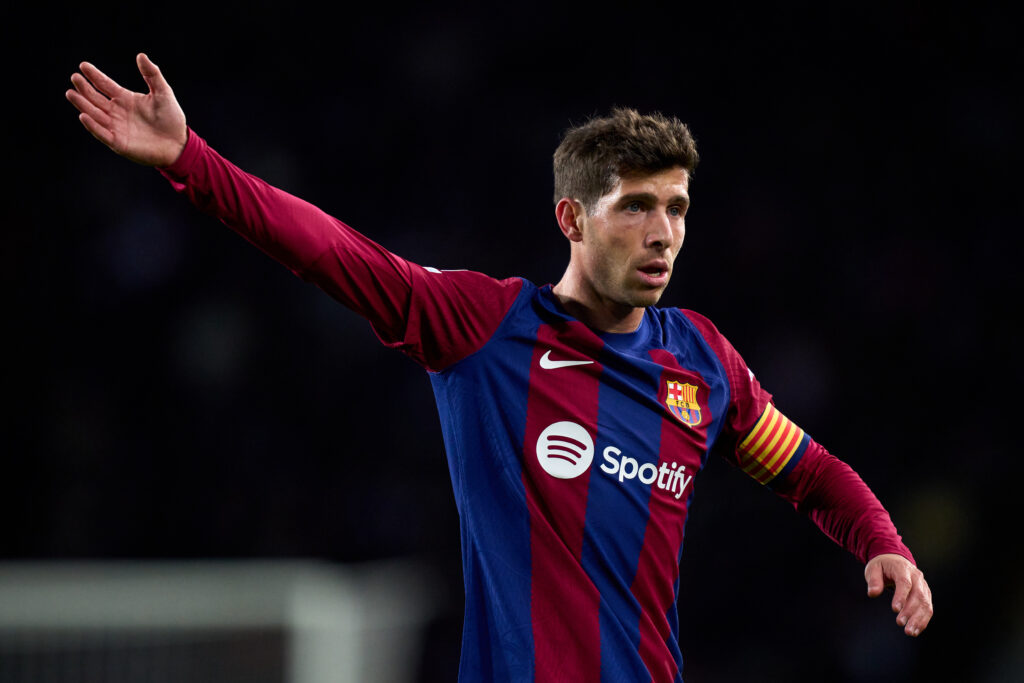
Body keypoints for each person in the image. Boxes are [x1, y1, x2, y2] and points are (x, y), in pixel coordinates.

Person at [66, 53, 933, 682]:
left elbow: (811, 470)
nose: (663, 231)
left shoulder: (704, 362)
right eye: (635, 207)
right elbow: (334, 252)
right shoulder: (487, 326)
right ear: (572, 217)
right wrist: (192, 162)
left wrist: (883, 542)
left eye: (676, 207)